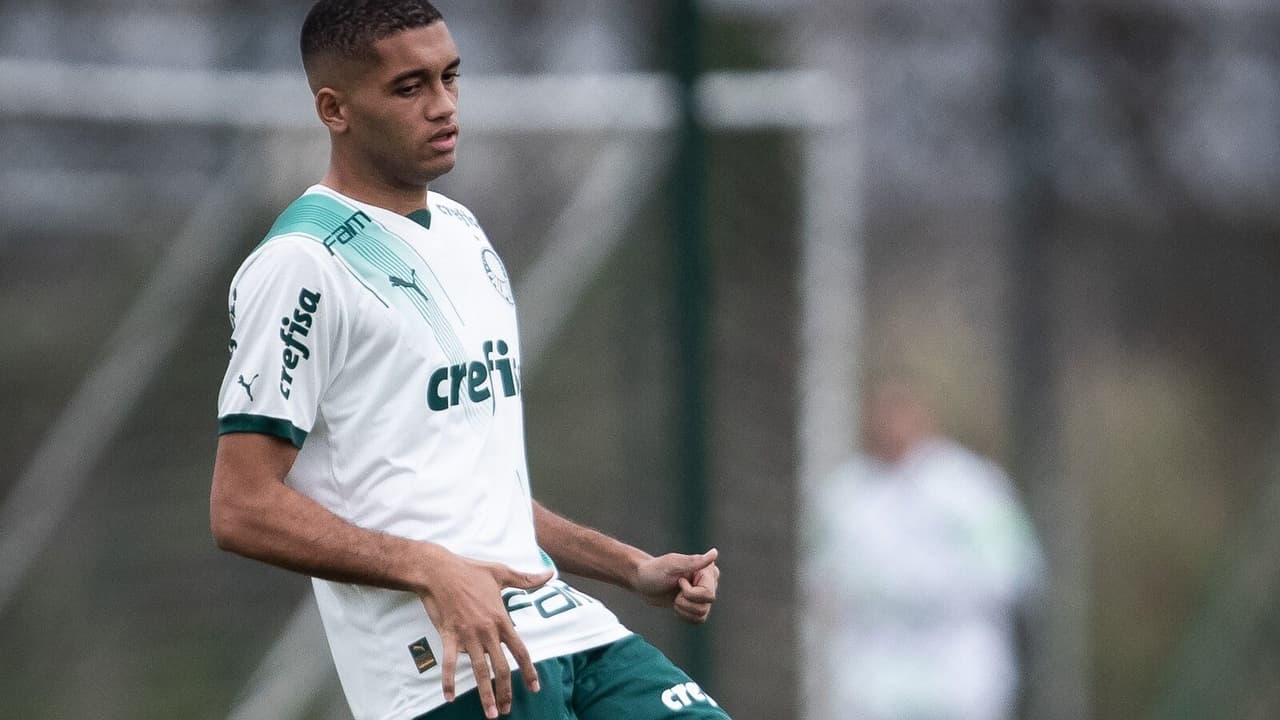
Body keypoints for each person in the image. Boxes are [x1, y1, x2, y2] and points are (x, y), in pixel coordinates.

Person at [209, 3, 727, 719]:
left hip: (566, 625)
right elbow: (241, 507)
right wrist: (427, 567)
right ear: (335, 108)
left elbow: (476, 490)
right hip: (448, 666)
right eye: (409, 87)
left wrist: (630, 567)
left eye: (450, 77)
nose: (443, 105)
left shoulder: (460, 229)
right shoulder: (302, 263)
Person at [805, 375, 1043, 720]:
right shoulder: (845, 494)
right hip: (873, 684)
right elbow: (819, 573)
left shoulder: (972, 486)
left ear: (923, 418)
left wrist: (936, 588)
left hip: (959, 681)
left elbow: (1016, 568)